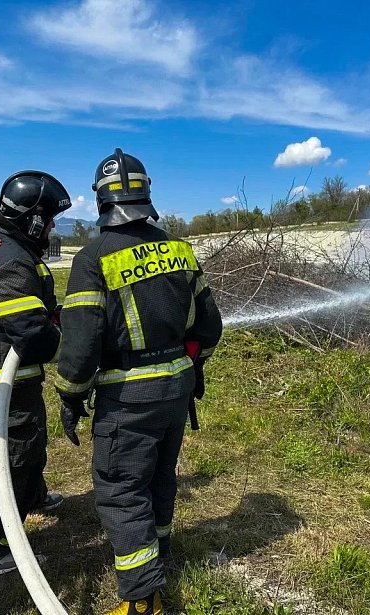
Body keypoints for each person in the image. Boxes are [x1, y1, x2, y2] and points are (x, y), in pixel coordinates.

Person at [55, 148, 222, 615]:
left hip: (128, 395)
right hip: (176, 387)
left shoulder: (92, 258)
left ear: (100, 200)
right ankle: (158, 557)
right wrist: (195, 366)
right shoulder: (179, 249)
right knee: (158, 478)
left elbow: (82, 342)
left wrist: (70, 395)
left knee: (120, 488)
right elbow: (209, 327)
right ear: (146, 194)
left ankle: (142, 600)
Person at [0, 170, 71, 574]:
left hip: (11, 368)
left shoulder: (12, 248)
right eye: (51, 218)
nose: (53, 226)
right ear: (35, 220)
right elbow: (30, 332)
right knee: (15, 452)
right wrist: (74, 350)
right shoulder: (12, 257)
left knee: (30, 439)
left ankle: (32, 496)